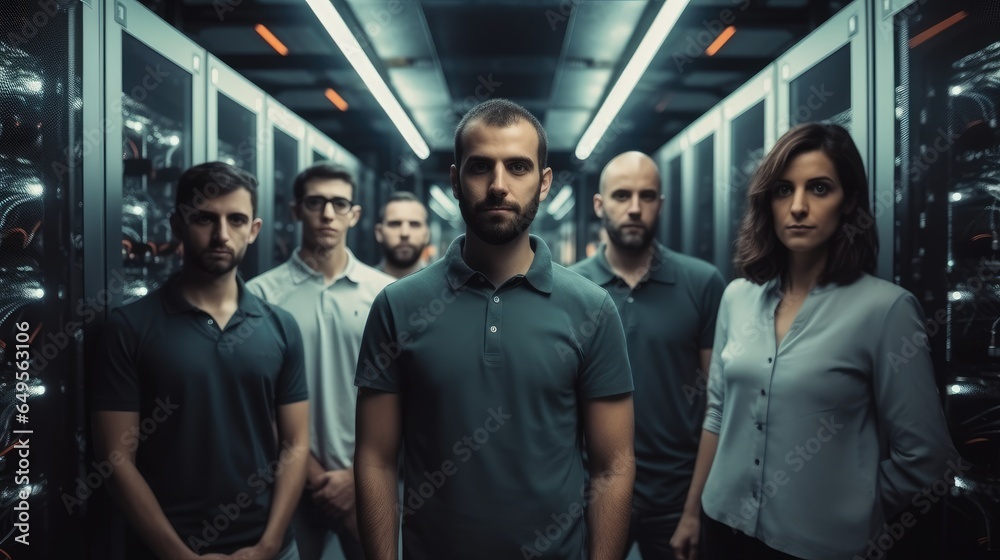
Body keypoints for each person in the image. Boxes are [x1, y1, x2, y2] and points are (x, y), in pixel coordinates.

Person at [353, 98, 636, 560]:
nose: (499, 186)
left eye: (519, 167)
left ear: (544, 183)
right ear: (455, 179)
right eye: (481, 166)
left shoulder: (593, 309)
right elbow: (375, 460)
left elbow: (613, 468)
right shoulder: (397, 306)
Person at [670, 123, 959, 560]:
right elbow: (717, 411)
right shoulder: (737, 298)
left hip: (819, 548)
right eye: (783, 190)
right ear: (767, 202)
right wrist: (692, 512)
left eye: (819, 188)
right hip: (721, 526)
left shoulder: (886, 311)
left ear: (849, 203)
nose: (799, 206)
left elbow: (927, 456)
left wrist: (857, 504)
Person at [92, 162, 309, 559]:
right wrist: (179, 555)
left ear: (254, 230)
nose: (222, 235)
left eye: (236, 220)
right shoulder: (130, 327)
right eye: (205, 219)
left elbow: (295, 444)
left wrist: (269, 545)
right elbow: (115, 457)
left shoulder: (281, 327)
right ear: (177, 225)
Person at [569, 151, 725, 559]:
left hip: (677, 497)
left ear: (661, 203)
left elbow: (718, 402)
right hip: (593, 489)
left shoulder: (702, 282)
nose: (635, 208)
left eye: (647, 196)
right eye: (622, 196)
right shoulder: (572, 289)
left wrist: (694, 509)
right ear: (600, 205)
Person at [248, 163, 394, 560]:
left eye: (339, 203)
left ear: (355, 214)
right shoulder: (259, 296)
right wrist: (312, 474)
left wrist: (354, 477)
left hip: (368, 478)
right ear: (296, 210)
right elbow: (255, 397)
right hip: (285, 483)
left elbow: (407, 394)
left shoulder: (387, 295)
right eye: (316, 202)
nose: (328, 214)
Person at [375, 190, 431, 279]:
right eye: (395, 224)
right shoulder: (363, 287)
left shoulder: (442, 288)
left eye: (414, 224)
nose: (405, 233)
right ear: (379, 233)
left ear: (427, 234)